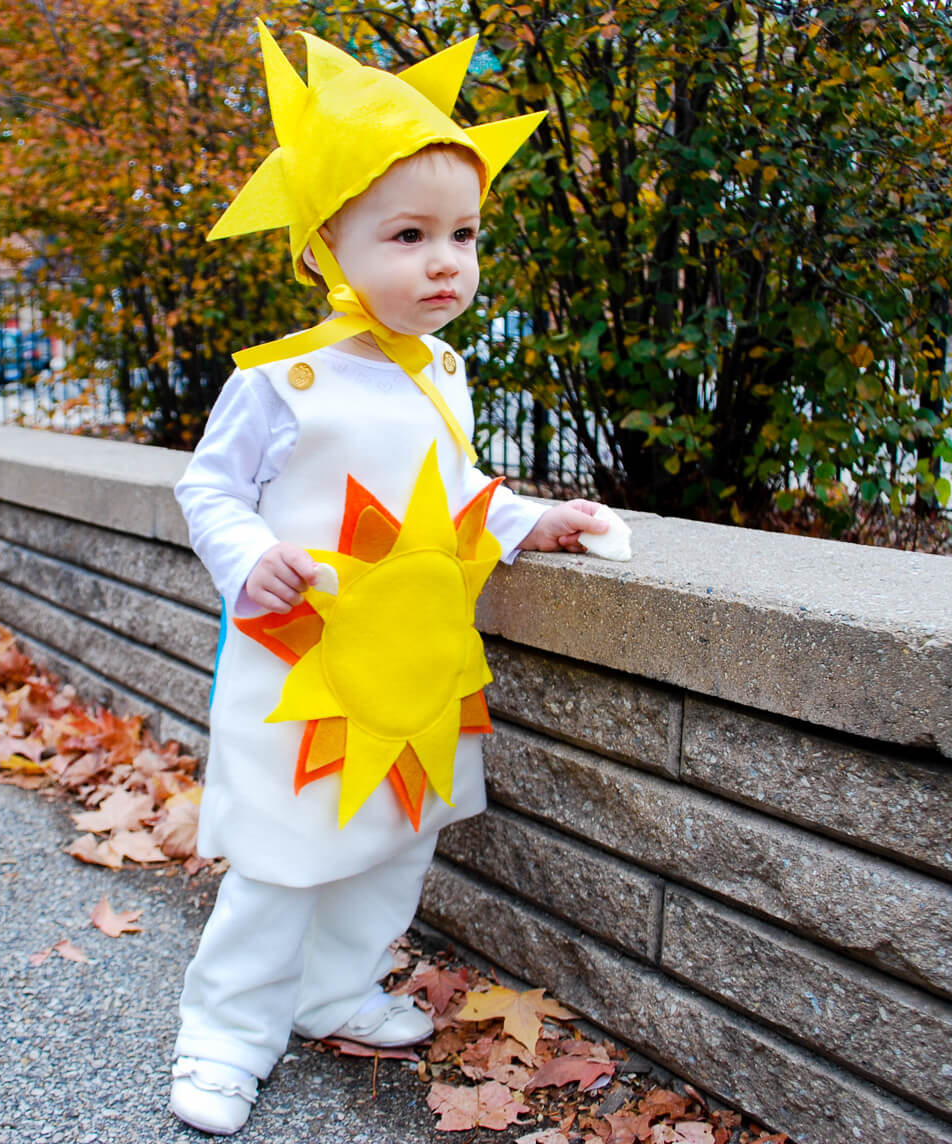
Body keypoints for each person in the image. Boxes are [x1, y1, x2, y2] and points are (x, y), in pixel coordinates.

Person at [170, 22, 608, 1136]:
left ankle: (335, 989)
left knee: (391, 844)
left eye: (461, 233)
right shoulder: (286, 382)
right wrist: (243, 553)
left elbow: (452, 492)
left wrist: (529, 519)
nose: (445, 261)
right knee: (282, 855)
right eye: (407, 234)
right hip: (302, 668)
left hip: (414, 668)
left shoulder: (444, 374)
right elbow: (206, 491)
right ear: (323, 248)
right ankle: (223, 1036)